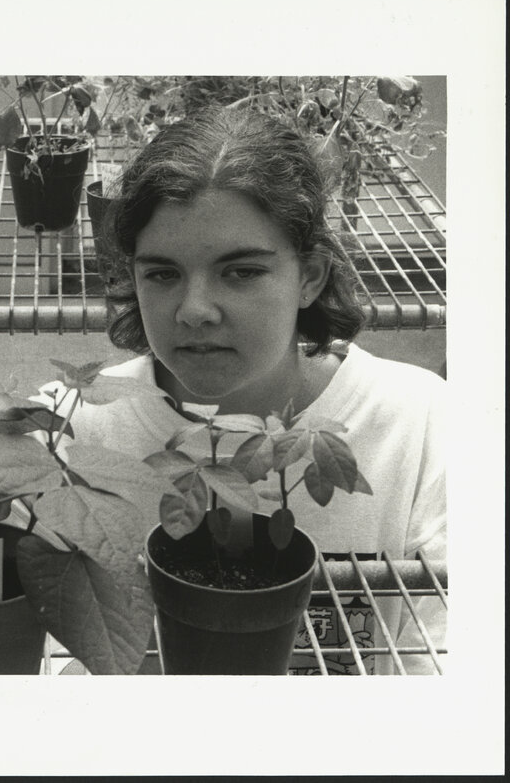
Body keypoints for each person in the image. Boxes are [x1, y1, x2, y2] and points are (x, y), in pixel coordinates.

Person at [62, 107, 446, 674]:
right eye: (161, 273)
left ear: (310, 277)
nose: (194, 311)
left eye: (241, 272)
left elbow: (448, 669)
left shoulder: (422, 422)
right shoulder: (67, 426)